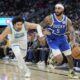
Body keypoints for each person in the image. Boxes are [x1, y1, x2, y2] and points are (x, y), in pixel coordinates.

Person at [40, 3, 79, 79]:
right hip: (52, 39)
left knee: (69, 56)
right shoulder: (49, 18)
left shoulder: (67, 20)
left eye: (59, 8)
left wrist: (73, 42)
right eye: (56, 8)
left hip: (62, 39)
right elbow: (39, 26)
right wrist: (43, 33)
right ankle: (52, 59)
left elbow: (72, 31)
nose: (56, 10)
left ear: (63, 10)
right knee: (60, 59)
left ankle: (71, 72)